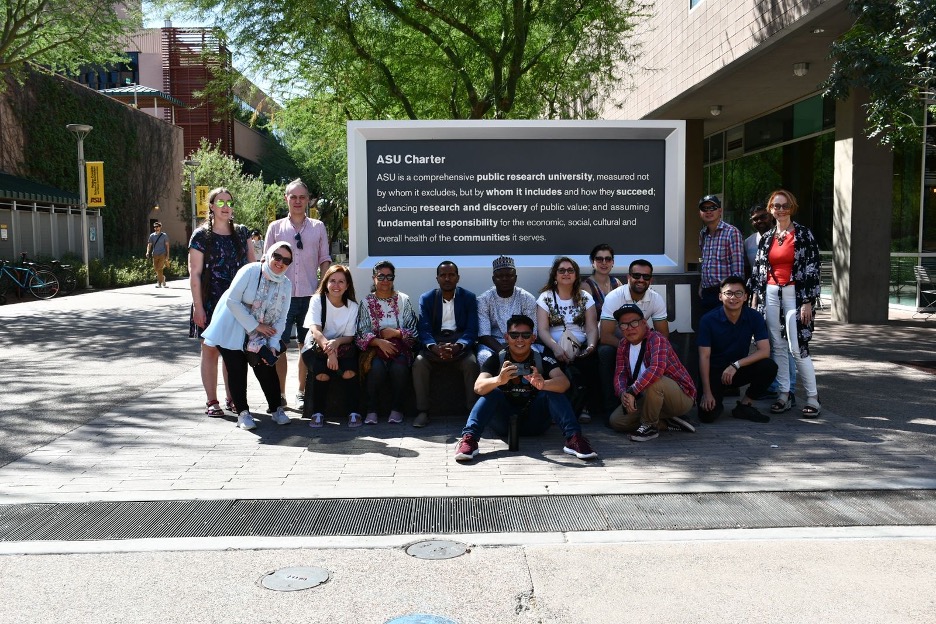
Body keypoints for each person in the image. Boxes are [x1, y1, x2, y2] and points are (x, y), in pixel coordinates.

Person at [454, 314, 598, 462]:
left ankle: (574, 439)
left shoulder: (542, 358)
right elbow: (478, 387)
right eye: (514, 335)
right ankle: (469, 439)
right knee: (492, 392)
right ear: (506, 337)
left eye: (526, 335)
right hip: (503, 422)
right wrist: (499, 380)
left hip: (535, 421)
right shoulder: (496, 359)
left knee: (551, 391)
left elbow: (564, 383)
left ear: (533, 338)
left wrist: (543, 384)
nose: (520, 340)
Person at [201, 242, 293, 430]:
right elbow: (232, 300)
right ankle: (243, 413)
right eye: (277, 256)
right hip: (233, 323)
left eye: (286, 260)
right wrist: (255, 325)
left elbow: (282, 316)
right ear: (268, 255)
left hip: (263, 330)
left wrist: (274, 343)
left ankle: (276, 408)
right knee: (236, 368)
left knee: (265, 365)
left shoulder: (286, 284)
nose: (280, 262)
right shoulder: (250, 271)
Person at [749, 189, 822, 418]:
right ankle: (784, 393)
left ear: (792, 208)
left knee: (797, 347)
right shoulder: (768, 237)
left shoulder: (803, 235)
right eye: (776, 206)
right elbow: (758, 270)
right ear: (771, 209)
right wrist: (754, 300)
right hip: (770, 293)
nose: (780, 210)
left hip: (795, 294)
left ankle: (812, 397)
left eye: (785, 206)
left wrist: (808, 301)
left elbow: (813, 269)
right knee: (777, 345)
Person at [264, 178, 332, 410]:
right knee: (279, 345)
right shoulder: (275, 228)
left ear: (308, 200)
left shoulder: (318, 227)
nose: (298, 201)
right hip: (280, 298)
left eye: (302, 197)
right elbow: (266, 263)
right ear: (286, 199)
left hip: (310, 297)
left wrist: (321, 288)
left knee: (307, 346)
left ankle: (301, 392)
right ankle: (280, 393)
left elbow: (325, 260)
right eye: (293, 196)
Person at [188, 187, 257, 416]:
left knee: (233, 350)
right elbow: (195, 273)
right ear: (211, 206)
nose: (225, 206)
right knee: (209, 350)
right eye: (220, 203)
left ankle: (233, 398)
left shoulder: (242, 233)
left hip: (237, 303)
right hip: (209, 299)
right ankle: (212, 401)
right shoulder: (200, 236)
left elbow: (252, 268)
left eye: (229, 202)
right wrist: (198, 307)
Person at [608, 304, 696, 441]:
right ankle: (666, 422)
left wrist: (632, 391)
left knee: (655, 381)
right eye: (624, 325)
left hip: (681, 397)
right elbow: (620, 374)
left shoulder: (657, 339)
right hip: (647, 396)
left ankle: (650, 426)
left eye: (634, 323)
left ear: (644, 323)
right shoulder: (623, 345)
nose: (629, 328)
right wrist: (623, 393)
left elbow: (656, 369)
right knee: (617, 421)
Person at [697, 276, 777, 423]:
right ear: (720, 296)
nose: (733, 297)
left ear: (746, 296)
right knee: (707, 416)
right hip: (714, 372)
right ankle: (713, 395)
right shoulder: (708, 320)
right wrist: (706, 393)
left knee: (769, 366)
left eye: (738, 293)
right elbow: (704, 357)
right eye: (728, 293)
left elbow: (764, 351)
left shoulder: (754, 317)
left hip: (737, 369)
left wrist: (736, 365)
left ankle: (745, 405)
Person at [597, 259, 669, 416]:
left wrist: (644, 348)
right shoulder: (614, 297)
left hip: (641, 342)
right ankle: (610, 408)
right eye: (637, 275)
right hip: (618, 342)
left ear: (651, 279)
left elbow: (663, 335)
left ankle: (666, 406)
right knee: (605, 352)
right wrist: (631, 348)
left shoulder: (656, 298)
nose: (641, 280)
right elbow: (605, 336)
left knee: (670, 350)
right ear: (628, 277)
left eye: (646, 276)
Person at [413, 261, 480, 428]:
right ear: (437, 278)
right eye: (443, 275)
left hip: (459, 345)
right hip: (435, 344)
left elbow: (472, 329)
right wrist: (434, 347)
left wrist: (459, 346)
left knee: (472, 364)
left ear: (458, 277)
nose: (447, 278)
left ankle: (473, 412)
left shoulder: (469, 298)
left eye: (451, 275)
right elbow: (424, 329)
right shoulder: (427, 298)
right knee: (419, 364)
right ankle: (423, 411)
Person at [535, 257, 602, 421]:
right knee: (550, 364)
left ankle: (583, 405)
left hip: (581, 345)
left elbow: (592, 327)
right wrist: (556, 348)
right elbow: (542, 329)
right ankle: (554, 408)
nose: (566, 273)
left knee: (591, 361)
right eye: (562, 270)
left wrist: (591, 346)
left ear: (576, 275)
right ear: (555, 275)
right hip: (553, 345)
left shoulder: (585, 297)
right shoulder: (546, 297)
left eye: (570, 270)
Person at [355, 260, 418, 425]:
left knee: (400, 367)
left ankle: (397, 409)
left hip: (401, 350)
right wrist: (378, 342)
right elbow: (361, 332)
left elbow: (414, 330)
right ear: (373, 278)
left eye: (389, 276)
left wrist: (396, 333)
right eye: (381, 276)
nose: (385, 280)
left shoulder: (403, 300)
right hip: (375, 350)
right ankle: (371, 409)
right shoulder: (366, 303)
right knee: (375, 368)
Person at [301, 265, 361, 428]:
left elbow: (349, 336)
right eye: (332, 281)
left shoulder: (352, 307)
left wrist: (337, 343)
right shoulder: (317, 300)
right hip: (316, 347)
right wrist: (330, 353)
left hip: (342, 346)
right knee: (322, 373)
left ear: (347, 285)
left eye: (341, 281)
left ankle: (354, 412)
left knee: (349, 371)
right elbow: (315, 331)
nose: (336, 285)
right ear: (326, 282)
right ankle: (318, 413)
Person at [745, 203, 794, 399]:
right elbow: (752, 275)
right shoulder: (748, 242)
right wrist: (753, 301)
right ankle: (773, 385)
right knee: (765, 343)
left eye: (763, 217)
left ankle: (788, 388)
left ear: (771, 216)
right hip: (761, 301)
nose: (759, 222)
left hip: (783, 297)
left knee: (784, 343)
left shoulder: (784, 237)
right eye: (755, 219)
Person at [475, 255, 539, 367]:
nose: (504, 279)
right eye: (500, 276)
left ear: (515, 278)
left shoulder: (527, 298)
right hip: (493, 343)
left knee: (536, 356)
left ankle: (531, 384)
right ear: (493, 279)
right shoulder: (483, 300)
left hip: (522, 340)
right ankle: (493, 385)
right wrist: (503, 351)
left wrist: (516, 347)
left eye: (509, 275)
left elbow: (532, 332)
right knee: (483, 357)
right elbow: (484, 335)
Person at [698, 194, 744, 316]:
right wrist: (701, 285)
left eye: (712, 208)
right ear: (700, 213)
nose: (708, 211)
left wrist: (734, 295)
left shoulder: (731, 232)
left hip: (726, 293)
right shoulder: (703, 234)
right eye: (704, 209)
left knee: (726, 331)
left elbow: (738, 268)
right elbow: (705, 263)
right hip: (707, 293)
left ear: (720, 210)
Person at [581, 243, 622, 310]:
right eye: (599, 259)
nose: (604, 262)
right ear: (592, 262)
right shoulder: (586, 286)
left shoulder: (616, 283)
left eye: (608, 259)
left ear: (613, 262)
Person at [145, 222, 170, 288]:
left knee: (160, 268)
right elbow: (149, 245)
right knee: (156, 268)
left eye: (157, 226)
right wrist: (147, 252)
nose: (156, 228)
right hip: (155, 254)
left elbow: (167, 245)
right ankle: (162, 278)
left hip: (162, 254)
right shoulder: (152, 236)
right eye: (155, 227)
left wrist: (167, 255)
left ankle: (159, 283)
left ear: (160, 227)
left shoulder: (164, 235)